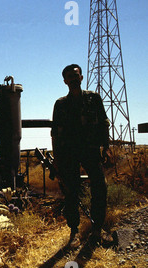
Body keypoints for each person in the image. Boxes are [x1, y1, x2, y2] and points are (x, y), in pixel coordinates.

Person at [51, 64, 112, 248]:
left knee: (99, 188)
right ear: (65, 81)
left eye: (76, 75)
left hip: (91, 151)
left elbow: (104, 123)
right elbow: (55, 133)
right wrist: (57, 158)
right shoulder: (60, 104)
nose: (73, 79)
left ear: (82, 77)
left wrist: (106, 147)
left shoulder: (93, 99)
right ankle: (74, 232)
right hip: (69, 153)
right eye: (70, 76)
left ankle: (97, 229)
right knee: (71, 192)